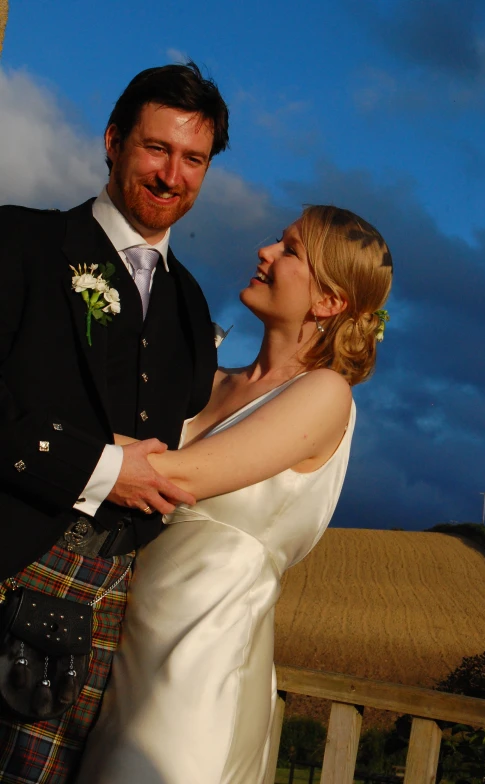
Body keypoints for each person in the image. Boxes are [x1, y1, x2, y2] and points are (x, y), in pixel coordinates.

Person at [77, 205, 393, 784]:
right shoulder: (212, 380)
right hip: (118, 656)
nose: (265, 251)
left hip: (203, 667)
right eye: (277, 239)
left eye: (290, 250)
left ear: (329, 302)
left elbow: (177, 477)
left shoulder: (325, 395)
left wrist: (62, 444)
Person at [0, 62, 229, 783]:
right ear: (112, 142)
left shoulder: (193, 309)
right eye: (156, 149)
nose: (172, 175)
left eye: (193, 159)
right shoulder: (19, 244)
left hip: (101, 609)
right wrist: (102, 469)